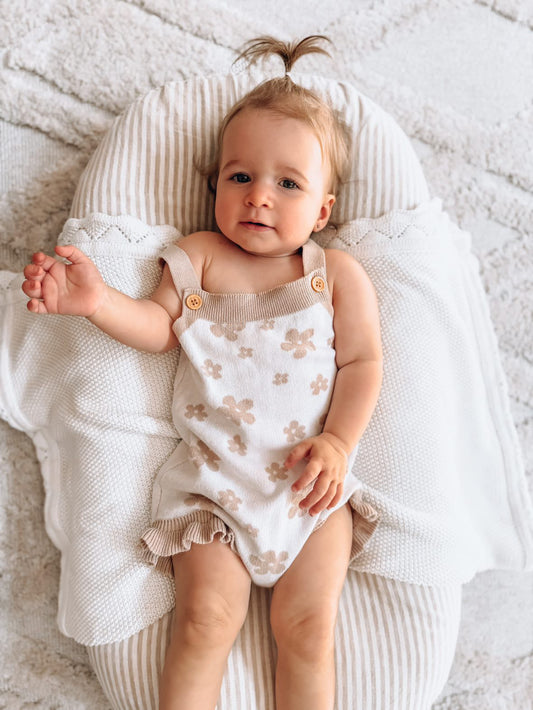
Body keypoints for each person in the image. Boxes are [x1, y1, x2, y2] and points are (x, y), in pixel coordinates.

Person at [22, 36, 382, 710]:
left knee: (308, 629)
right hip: (215, 492)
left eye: (288, 184)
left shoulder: (333, 274)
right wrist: (97, 303)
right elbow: (158, 330)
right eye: (240, 177)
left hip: (309, 493)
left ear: (323, 210)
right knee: (204, 621)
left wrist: (338, 442)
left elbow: (362, 363)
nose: (259, 197)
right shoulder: (198, 258)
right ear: (215, 185)